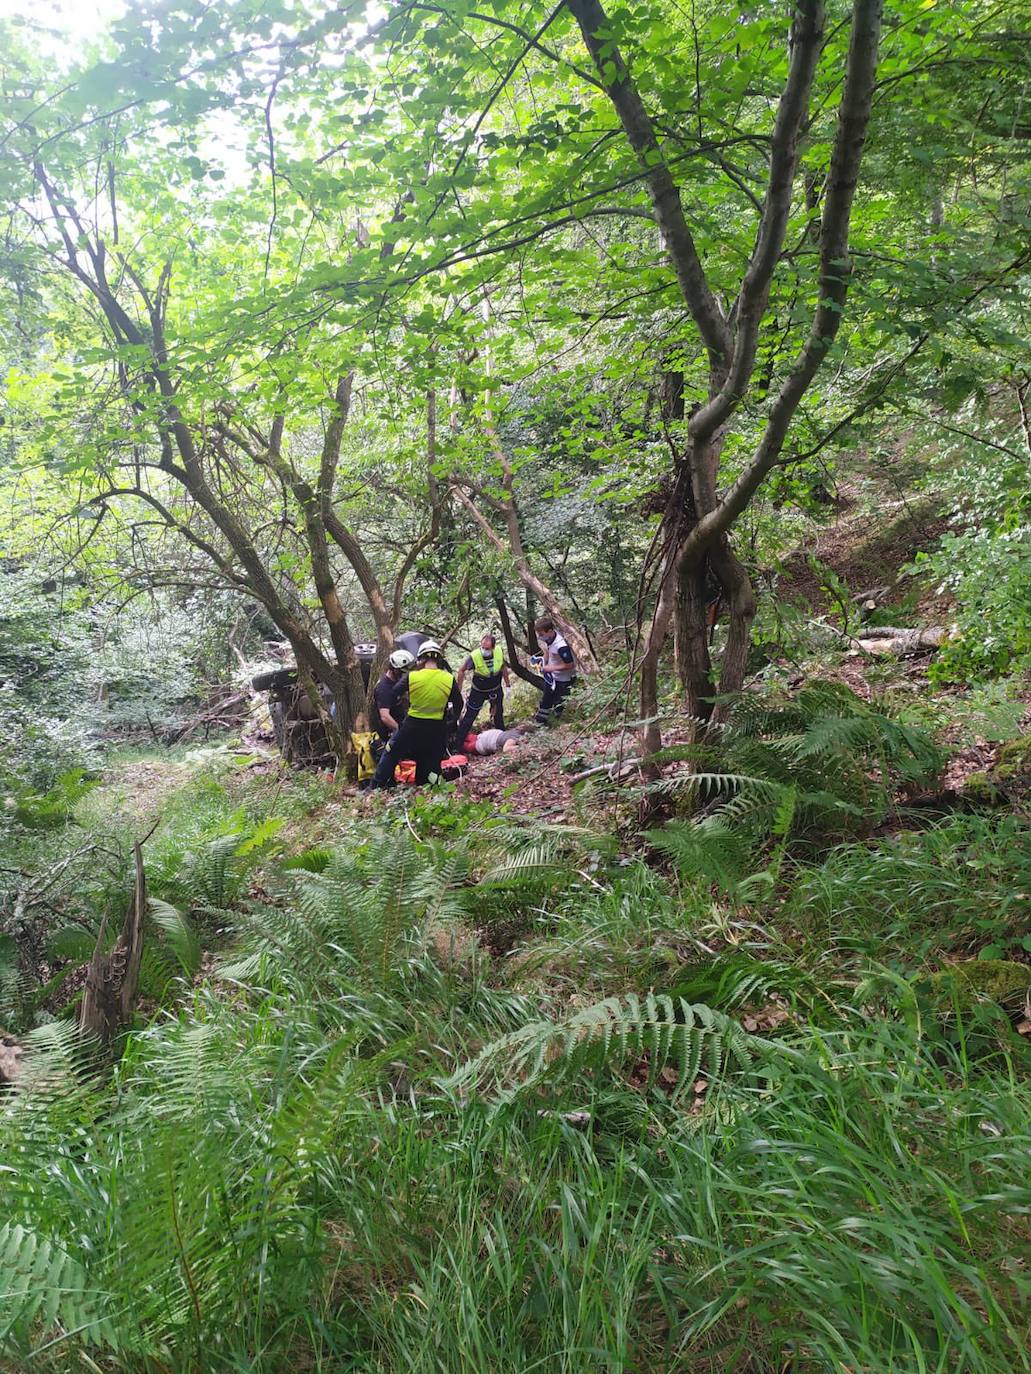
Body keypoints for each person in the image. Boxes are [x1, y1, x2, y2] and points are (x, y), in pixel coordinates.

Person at [371, 640, 463, 788]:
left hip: (412, 724)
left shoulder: (412, 676)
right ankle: (429, 788)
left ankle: (375, 786)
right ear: (439, 659)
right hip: (437, 727)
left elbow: (394, 693)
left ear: (421, 659)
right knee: (431, 758)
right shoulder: (448, 679)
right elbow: (459, 704)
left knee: (391, 752)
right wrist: (451, 722)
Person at [456, 633, 510, 741]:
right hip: (479, 691)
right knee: (469, 717)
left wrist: (508, 685)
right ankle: (457, 744)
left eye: (487, 648)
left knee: (498, 714)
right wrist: (459, 690)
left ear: (493, 647)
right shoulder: (475, 656)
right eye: (483, 647)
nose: (484, 650)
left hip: (495, 688)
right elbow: (461, 670)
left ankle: (503, 738)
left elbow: (503, 667)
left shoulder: (498, 651)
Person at [533, 616, 576, 725]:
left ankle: (557, 724)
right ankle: (540, 724)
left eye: (541, 634)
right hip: (551, 677)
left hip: (563, 679)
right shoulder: (549, 639)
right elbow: (547, 652)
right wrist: (543, 662)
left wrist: (551, 668)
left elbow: (570, 665)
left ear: (550, 631)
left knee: (558, 703)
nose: (540, 637)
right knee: (546, 700)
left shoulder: (561, 645)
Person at [372, 649, 415, 744]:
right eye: (403, 672)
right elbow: (385, 716)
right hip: (390, 735)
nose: (405, 675)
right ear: (395, 669)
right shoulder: (384, 688)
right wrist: (400, 731)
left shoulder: (395, 683)